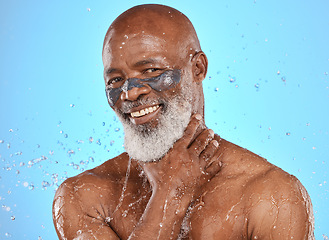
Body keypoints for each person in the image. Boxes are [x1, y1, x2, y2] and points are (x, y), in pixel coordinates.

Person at [52, 4, 314, 239]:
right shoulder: (83, 196)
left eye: (151, 70)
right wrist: (170, 193)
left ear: (198, 68)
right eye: (116, 80)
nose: (130, 92)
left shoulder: (270, 195)